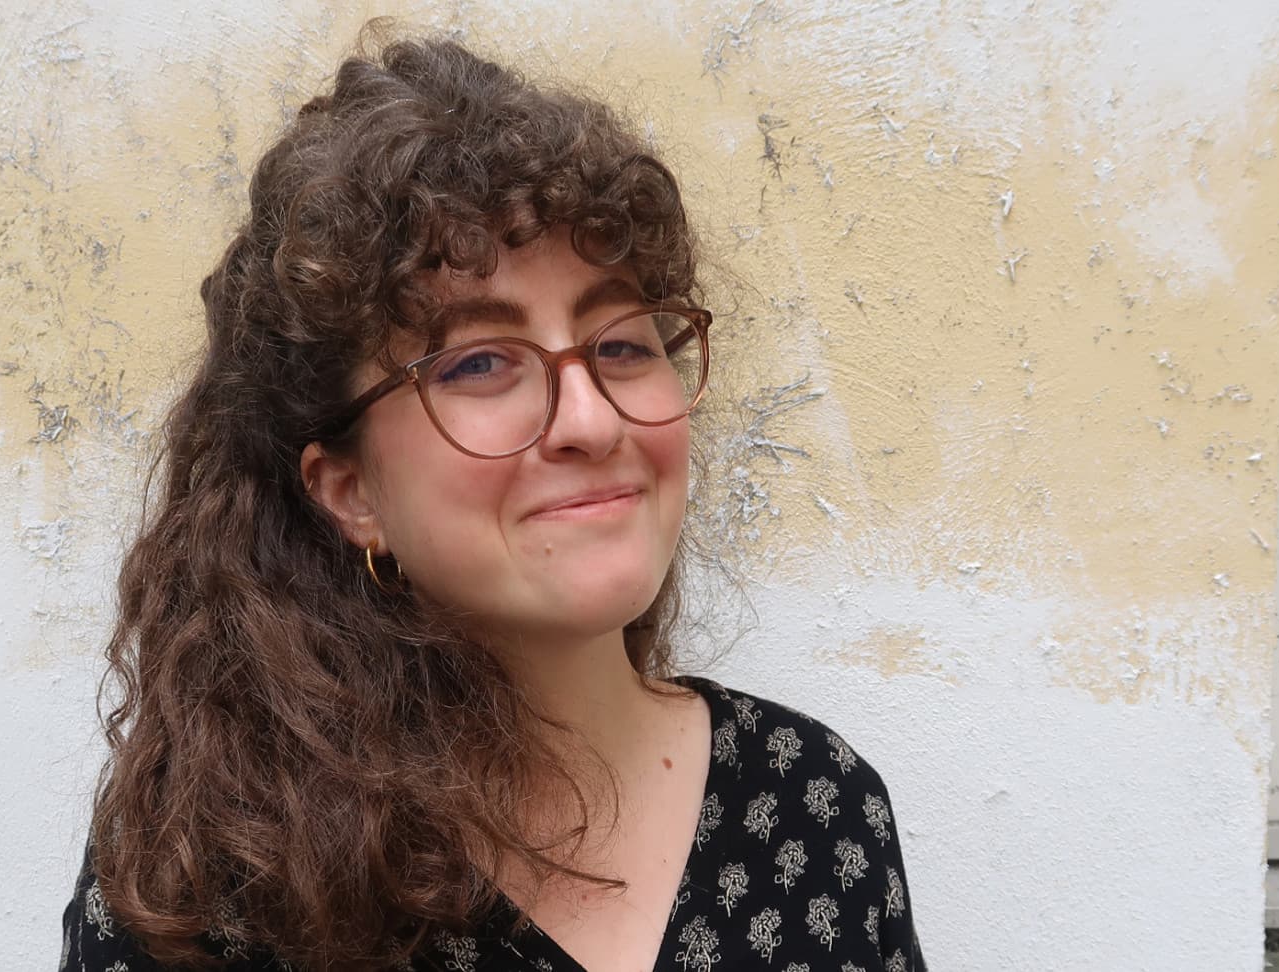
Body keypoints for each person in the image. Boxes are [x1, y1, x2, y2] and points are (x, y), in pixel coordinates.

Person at [60, 30, 923, 972]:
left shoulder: (817, 811)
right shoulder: (202, 888)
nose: (590, 419)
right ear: (349, 490)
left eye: (622, 344)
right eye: (478, 363)